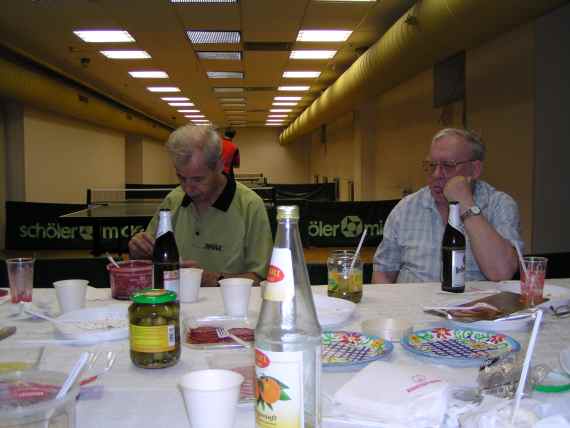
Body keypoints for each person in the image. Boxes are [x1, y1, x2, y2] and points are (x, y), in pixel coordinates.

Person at [372, 128, 523, 284]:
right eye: (431, 165)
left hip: (471, 299)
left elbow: (501, 272)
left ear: (475, 169)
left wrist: (466, 204)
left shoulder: (499, 205)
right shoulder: (406, 208)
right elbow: (383, 272)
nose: (436, 174)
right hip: (411, 299)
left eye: (448, 165)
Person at [128, 125, 273, 286]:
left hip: (230, 302)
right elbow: (152, 258)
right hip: (176, 299)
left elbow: (261, 278)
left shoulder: (250, 206)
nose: (188, 188)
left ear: (219, 166)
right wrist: (139, 252)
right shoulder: (173, 200)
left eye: (198, 179)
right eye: (181, 178)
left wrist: (215, 280)